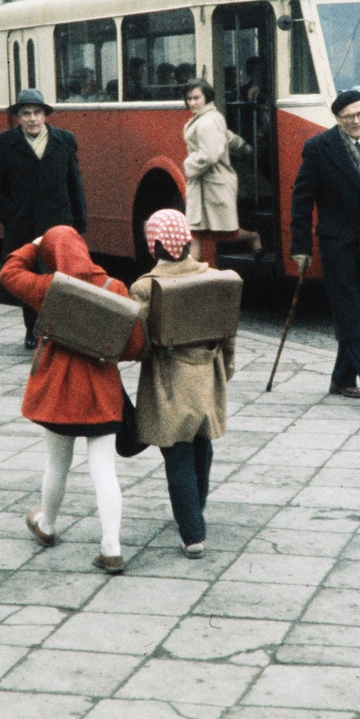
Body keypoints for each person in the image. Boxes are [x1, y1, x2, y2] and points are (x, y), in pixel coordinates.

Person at [2, 226, 144, 574]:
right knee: (104, 470)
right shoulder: (115, 287)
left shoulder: (50, 287)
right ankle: (111, 547)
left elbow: (8, 273)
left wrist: (35, 245)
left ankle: (47, 525)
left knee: (57, 464)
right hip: (102, 392)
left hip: (59, 394)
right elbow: (135, 345)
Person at [289, 90, 360, 408]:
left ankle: (342, 378)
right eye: (349, 117)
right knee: (352, 311)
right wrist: (300, 246)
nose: (356, 121)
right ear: (338, 119)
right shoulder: (318, 148)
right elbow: (301, 200)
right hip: (337, 244)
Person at [130, 209, 234, 558]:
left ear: (154, 246)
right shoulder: (215, 278)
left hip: (169, 382)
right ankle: (195, 512)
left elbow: (140, 343)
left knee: (177, 454)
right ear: (188, 241)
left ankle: (192, 534)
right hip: (208, 374)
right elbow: (228, 333)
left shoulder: (145, 287)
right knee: (202, 448)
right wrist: (226, 368)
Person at [0, 89, 87, 349]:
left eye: (37, 113)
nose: (32, 119)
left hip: (59, 223)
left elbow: (74, 184)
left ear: (45, 115)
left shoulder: (64, 140)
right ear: (18, 116)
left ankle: (59, 330)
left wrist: (79, 222)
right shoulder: (4, 143)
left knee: (59, 277)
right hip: (23, 225)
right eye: (26, 113)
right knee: (29, 280)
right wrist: (9, 215)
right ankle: (33, 329)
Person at [181, 79, 260, 262]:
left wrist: (188, 165)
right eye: (189, 98)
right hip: (207, 182)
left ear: (206, 97)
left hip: (212, 182)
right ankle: (193, 275)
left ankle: (253, 237)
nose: (192, 102)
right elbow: (227, 137)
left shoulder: (207, 121)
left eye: (196, 98)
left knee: (226, 232)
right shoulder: (209, 117)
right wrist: (245, 148)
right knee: (195, 233)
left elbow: (209, 154)